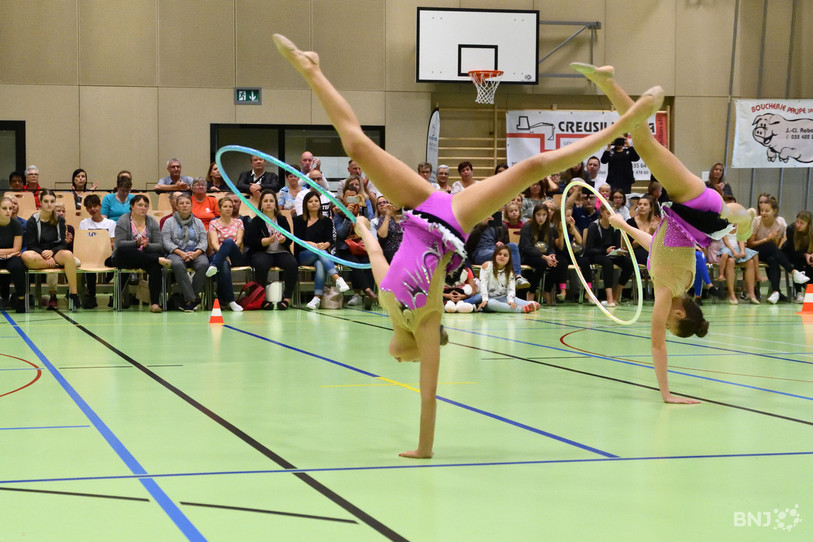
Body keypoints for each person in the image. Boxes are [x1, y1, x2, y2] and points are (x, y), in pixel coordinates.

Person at [274, 33, 660, 457]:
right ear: (425, 348)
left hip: (417, 205)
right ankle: (623, 125)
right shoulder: (426, 321)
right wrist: (424, 449)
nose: (399, 360)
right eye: (410, 361)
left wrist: (365, 229)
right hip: (452, 217)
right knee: (532, 166)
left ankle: (311, 69)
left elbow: (377, 254)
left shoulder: (387, 302)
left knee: (357, 146)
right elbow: (428, 398)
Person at [573, 62, 756, 403]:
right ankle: (609, 83)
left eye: (667, 326)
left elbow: (655, 243)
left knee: (727, 213)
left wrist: (623, 225)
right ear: (679, 313)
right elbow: (656, 344)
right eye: (672, 325)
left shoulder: (677, 281)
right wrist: (667, 394)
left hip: (701, 212)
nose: (664, 326)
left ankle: (743, 219)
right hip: (696, 204)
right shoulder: (667, 293)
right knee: (643, 141)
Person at [21, 190, 80, 310]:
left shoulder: (60, 220)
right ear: (40, 203)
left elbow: (63, 244)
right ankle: (54, 265)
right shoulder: (32, 221)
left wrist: (52, 253)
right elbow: (31, 244)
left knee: (68, 254)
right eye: (46, 201)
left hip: (56, 251)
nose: (49, 204)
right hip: (39, 253)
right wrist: (45, 256)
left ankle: (74, 294)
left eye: (52, 201)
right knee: (26, 256)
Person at [113, 195, 172, 313]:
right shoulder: (123, 220)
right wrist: (136, 243)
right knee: (125, 251)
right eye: (140, 205)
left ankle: (155, 303)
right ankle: (156, 260)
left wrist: (147, 245)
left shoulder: (152, 222)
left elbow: (159, 245)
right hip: (126, 257)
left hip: (145, 257)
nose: (143, 208)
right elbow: (119, 244)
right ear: (132, 206)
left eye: (146, 206)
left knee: (155, 266)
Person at [293, 190, 350, 310]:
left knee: (320, 264)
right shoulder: (298, 220)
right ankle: (337, 278)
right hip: (303, 255)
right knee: (319, 253)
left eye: (316, 201)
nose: (314, 203)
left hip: (320, 254)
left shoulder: (327, 221)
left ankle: (317, 298)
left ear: (320, 204)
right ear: (305, 204)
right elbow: (296, 240)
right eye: (310, 201)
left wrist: (326, 244)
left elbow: (330, 240)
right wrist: (310, 244)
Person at [747, 198, 809, 304]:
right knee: (770, 245)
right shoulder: (756, 221)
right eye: (762, 210)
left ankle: (775, 292)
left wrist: (774, 239)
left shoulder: (779, 223)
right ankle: (793, 272)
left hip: (770, 252)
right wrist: (767, 239)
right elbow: (750, 244)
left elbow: (776, 248)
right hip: (755, 252)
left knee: (773, 259)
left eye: (767, 211)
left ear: (774, 211)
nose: (763, 213)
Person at [244, 189, 298, 310]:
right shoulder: (256, 221)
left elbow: (290, 239)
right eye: (266, 201)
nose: (268, 203)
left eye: (271, 201)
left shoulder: (282, 220)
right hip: (262, 252)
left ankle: (287, 298)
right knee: (261, 264)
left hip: (280, 251)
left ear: (275, 204)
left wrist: (284, 240)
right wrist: (266, 241)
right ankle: (261, 298)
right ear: (261, 204)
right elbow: (250, 241)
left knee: (292, 263)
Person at [161, 193, 209, 312]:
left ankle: (188, 299)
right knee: (177, 265)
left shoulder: (198, 222)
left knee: (204, 264)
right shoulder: (168, 222)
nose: (184, 206)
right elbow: (166, 241)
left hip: (196, 252)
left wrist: (196, 253)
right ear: (176, 206)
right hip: (176, 252)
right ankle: (192, 299)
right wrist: (181, 253)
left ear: (192, 205)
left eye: (187, 203)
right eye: (181, 203)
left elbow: (204, 241)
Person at [333, 185, 377, 308]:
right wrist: (348, 215)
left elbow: (368, 227)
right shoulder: (338, 213)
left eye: (354, 197)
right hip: (345, 248)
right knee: (355, 263)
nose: (351, 199)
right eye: (348, 197)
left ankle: (367, 296)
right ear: (343, 198)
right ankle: (368, 291)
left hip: (361, 247)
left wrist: (362, 207)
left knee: (367, 262)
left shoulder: (362, 210)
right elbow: (341, 233)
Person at [206, 196, 248, 312]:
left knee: (229, 241)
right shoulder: (213, 223)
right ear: (220, 209)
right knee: (223, 264)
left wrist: (226, 252)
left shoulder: (239, 222)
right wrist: (224, 255)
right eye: (225, 206)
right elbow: (214, 243)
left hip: (235, 255)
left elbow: (238, 242)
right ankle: (231, 301)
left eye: (230, 206)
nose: (228, 209)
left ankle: (214, 265)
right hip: (219, 254)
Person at [465, 215, 530, 290]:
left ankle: (517, 277)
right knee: (501, 255)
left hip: (494, 249)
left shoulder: (500, 225)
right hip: (480, 252)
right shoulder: (474, 222)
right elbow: (468, 243)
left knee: (513, 246)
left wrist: (501, 244)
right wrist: (481, 225)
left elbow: (506, 243)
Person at [78, 194, 117, 308]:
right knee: (89, 264)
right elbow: (83, 242)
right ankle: (91, 295)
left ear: (100, 206)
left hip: (107, 255)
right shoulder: (84, 223)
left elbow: (112, 243)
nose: (93, 209)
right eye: (89, 207)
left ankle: (115, 295)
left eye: (95, 206)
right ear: (86, 209)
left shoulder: (110, 223)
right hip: (90, 255)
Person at [477, 246, 540, 313]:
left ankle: (508, 307)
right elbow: (483, 284)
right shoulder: (487, 265)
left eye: (505, 255)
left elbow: (511, 289)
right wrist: (485, 299)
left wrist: (510, 301)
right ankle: (521, 309)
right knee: (491, 304)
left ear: (509, 259)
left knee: (535, 304)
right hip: (489, 299)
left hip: (505, 298)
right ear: (495, 255)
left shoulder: (510, 271)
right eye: (499, 254)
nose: (502, 256)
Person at [519, 204, 561, 306]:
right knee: (542, 263)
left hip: (543, 256)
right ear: (534, 215)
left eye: (544, 215)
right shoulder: (527, 226)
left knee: (557, 264)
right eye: (538, 214)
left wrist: (552, 256)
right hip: (527, 256)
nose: (541, 217)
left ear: (547, 216)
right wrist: (544, 257)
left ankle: (546, 290)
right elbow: (526, 247)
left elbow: (550, 247)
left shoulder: (549, 228)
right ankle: (531, 292)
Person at [718, 224, 760, 305]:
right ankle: (732, 294)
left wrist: (742, 251)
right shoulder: (723, 227)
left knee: (750, 262)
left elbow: (741, 241)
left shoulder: (739, 228)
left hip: (737, 250)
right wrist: (733, 252)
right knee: (730, 261)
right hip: (728, 250)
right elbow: (726, 243)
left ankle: (751, 293)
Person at [0, 197, 27, 312]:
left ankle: (21, 301)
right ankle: (4, 298)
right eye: (4, 208)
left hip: (11, 257)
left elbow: (17, 248)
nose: (8, 211)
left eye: (10, 208)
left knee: (18, 266)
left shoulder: (16, 224)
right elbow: (13, 249)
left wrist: (6, 253)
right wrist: (8, 252)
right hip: (8, 254)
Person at [783, 211, 813, 304]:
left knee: (811, 263)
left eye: (802, 223)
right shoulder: (791, 229)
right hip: (791, 253)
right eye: (797, 222)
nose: (798, 225)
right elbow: (793, 250)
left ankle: (809, 291)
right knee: (798, 261)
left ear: (808, 225)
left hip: (807, 254)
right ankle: (799, 291)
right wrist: (805, 255)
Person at [626, 195, 659, 265]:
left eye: (645, 204)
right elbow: (633, 245)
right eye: (639, 204)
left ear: (650, 208)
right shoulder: (630, 222)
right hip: (636, 251)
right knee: (650, 256)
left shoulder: (655, 221)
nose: (641, 206)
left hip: (652, 249)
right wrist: (650, 233)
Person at [370, 195, 403, 263]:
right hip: (390, 252)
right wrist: (388, 215)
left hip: (405, 250)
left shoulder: (406, 218)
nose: (382, 204)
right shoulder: (383, 218)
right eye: (379, 203)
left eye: (384, 202)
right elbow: (382, 235)